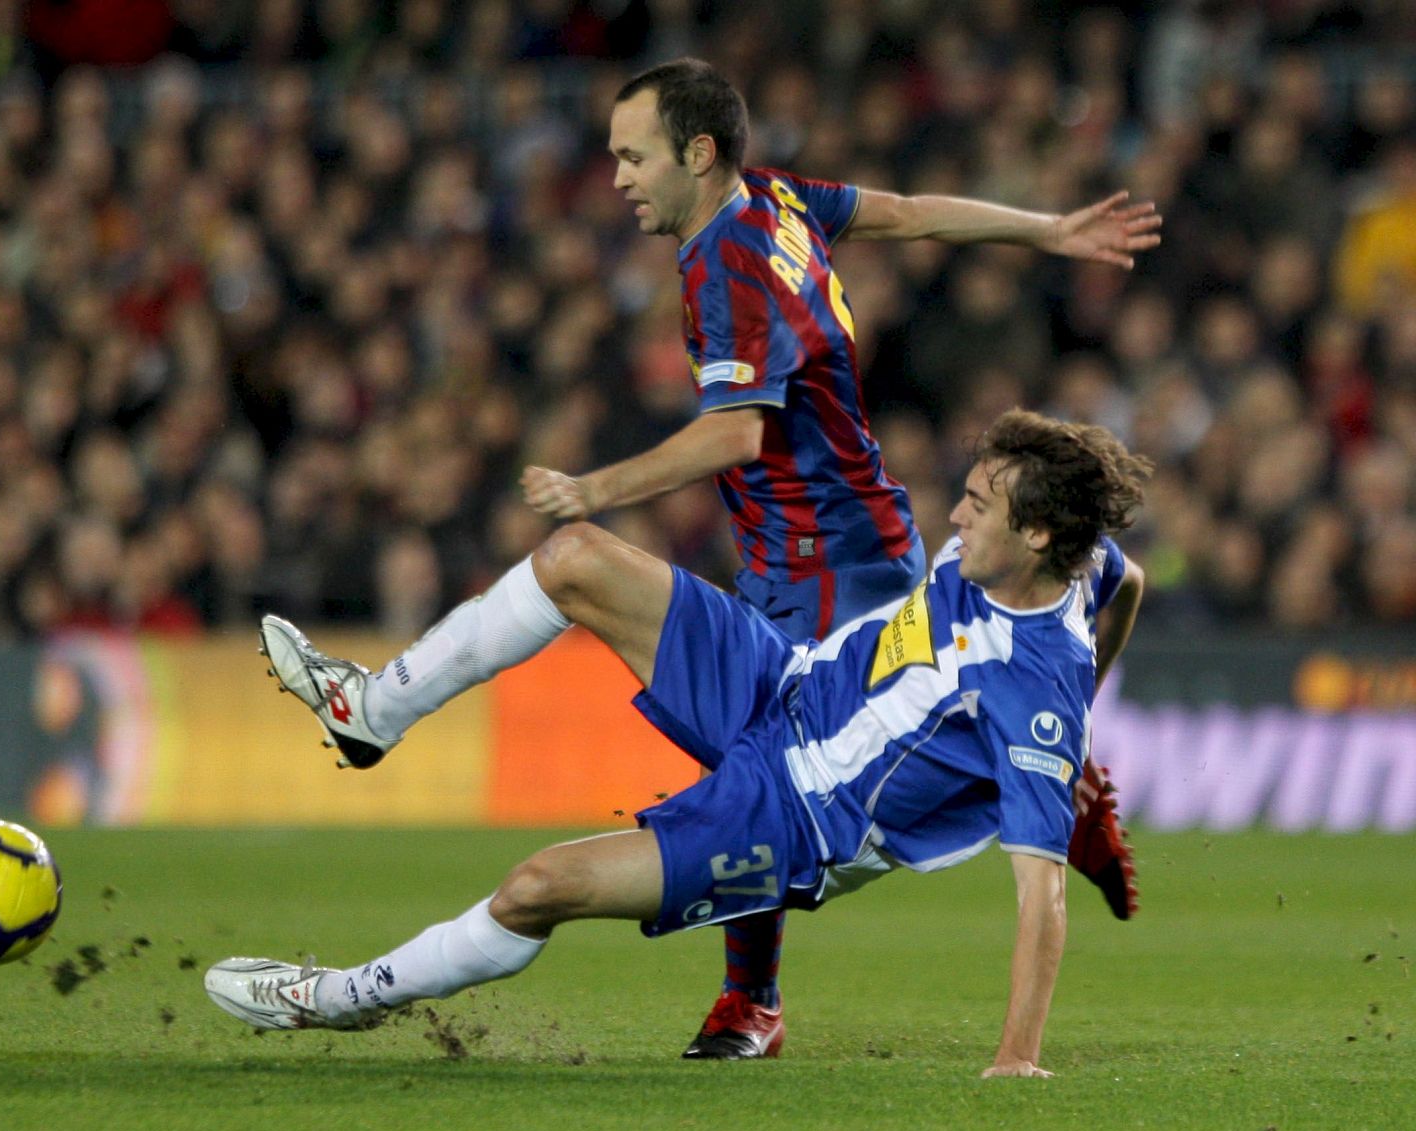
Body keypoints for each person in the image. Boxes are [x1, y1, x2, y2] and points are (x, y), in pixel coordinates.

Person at [513, 58, 1160, 1058]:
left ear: (698, 150)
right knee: (771, 756)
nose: (618, 177)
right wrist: (1043, 230)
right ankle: (1055, 775)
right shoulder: (779, 202)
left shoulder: (762, 217)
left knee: (757, 761)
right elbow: (903, 212)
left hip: (832, 554)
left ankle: (752, 999)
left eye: (631, 155)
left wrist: (1044, 231)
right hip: (840, 545)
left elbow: (898, 224)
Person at [209, 408, 1151, 1077]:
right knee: (574, 555)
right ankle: (373, 714)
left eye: (980, 506)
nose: (954, 516)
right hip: (781, 680)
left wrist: (1016, 1060)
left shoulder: (1033, 687)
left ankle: (331, 998)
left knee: (540, 887)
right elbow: (1131, 580)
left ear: (1033, 532)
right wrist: (1081, 740)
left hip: (795, 816)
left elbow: (1042, 897)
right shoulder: (1072, 557)